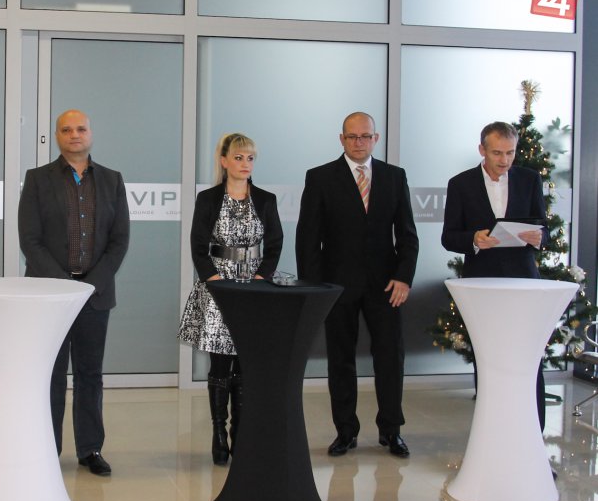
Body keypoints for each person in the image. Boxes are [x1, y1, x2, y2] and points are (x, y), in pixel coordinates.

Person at [295, 111, 419, 458]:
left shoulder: (394, 177)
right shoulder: (320, 177)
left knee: (390, 358)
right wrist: (316, 289)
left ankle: (391, 431)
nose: (359, 142)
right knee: (341, 360)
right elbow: (308, 239)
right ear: (342, 139)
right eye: (352, 136)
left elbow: (407, 235)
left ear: (375, 139)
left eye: (365, 136)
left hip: (387, 286)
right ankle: (345, 431)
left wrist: (404, 277)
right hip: (337, 287)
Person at [18, 109, 130, 476]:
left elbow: (119, 240)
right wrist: (63, 286)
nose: (74, 134)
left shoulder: (112, 180)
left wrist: (90, 284)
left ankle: (90, 449)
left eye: (80, 128)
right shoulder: (38, 179)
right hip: (49, 296)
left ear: (90, 134)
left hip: (95, 295)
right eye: (66, 130)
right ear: (57, 136)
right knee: (50, 375)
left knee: (89, 374)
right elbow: (30, 241)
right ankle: (47, 448)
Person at [177, 133, 283, 465]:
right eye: (238, 157)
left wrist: (260, 279)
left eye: (250, 158)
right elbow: (198, 247)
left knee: (246, 365)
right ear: (224, 161)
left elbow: (275, 245)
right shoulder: (208, 199)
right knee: (220, 365)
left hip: (254, 288)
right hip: (218, 288)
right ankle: (219, 433)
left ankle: (241, 432)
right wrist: (216, 282)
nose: (245, 164)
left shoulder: (266, 199)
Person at [441, 121, 549, 430]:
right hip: (482, 283)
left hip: (523, 281)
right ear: (482, 150)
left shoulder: (529, 179)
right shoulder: (461, 184)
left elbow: (544, 229)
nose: (505, 160)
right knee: (487, 357)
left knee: (530, 356)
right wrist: (474, 239)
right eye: (497, 153)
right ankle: (492, 431)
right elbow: (449, 237)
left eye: (510, 153)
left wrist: (539, 237)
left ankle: (534, 433)